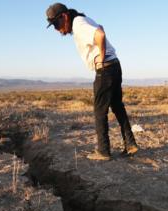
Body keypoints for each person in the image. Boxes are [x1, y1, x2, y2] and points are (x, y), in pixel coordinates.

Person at [46, 3, 138, 161]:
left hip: (106, 69)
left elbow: (100, 34)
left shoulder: (79, 24)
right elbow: (100, 27)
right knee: (117, 106)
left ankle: (103, 151)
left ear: (64, 17)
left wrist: (101, 58)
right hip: (115, 65)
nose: (56, 29)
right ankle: (130, 144)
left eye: (56, 24)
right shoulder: (84, 19)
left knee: (99, 111)